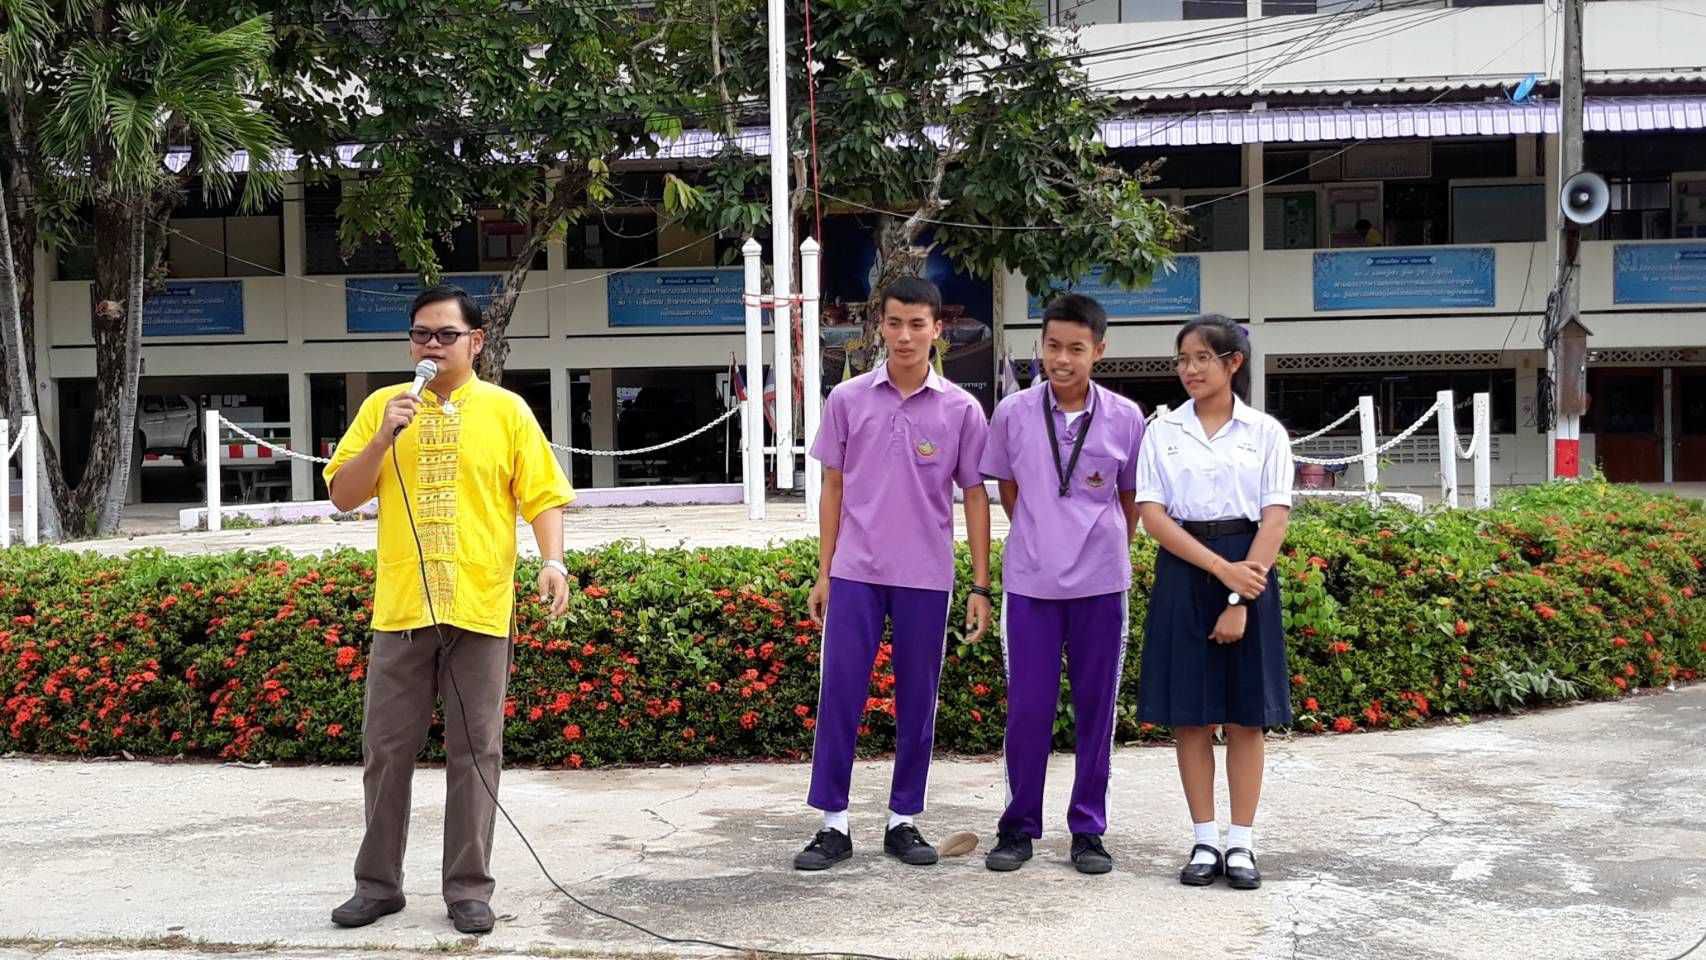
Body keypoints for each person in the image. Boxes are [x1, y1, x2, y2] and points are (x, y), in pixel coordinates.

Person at [323, 286, 575, 934]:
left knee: (476, 752)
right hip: (401, 611)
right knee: (386, 751)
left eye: (445, 335)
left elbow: (542, 495)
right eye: (420, 335)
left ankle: (467, 889)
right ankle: (377, 886)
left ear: (476, 342)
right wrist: (383, 438)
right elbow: (344, 496)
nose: (431, 346)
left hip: (481, 608)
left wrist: (552, 561)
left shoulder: (506, 411)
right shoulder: (383, 407)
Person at [794, 276, 994, 871]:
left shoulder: (961, 409)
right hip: (855, 572)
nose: (905, 336)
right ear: (879, 326)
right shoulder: (847, 399)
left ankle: (903, 820)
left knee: (918, 700)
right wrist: (824, 571)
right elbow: (832, 486)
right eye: (894, 323)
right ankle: (832, 824)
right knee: (839, 694)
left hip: (926, 577)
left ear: (938, 330)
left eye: (917, 324)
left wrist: (980, 584)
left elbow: (975, 495)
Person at [977, 294, 1145, 876]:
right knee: (1028, 709)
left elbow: (1130, 499)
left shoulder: (1126, 417)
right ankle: (1017, 827)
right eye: (1053, 346)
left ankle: (1088, 831)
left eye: (1076, 348)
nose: (1063, 359)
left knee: (1097, 710)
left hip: (1101, 586)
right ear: (1041, 346)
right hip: (1031, 585)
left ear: (1099, 350)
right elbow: (1008, 490)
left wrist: (1099, 546)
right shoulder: (1012, 413)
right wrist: (1043, 535)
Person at [1133, 314, 1293, 891]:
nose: (1190, 369)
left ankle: (1241, 842)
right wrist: (1220, 571)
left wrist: (1239, 594)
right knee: (1191, 715)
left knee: (1247, 717)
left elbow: (1275, 518)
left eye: (1203, 357)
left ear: (1233, 363)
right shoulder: (1162, 431)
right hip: (1185, 568)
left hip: (1250, 568)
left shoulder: (1265, 432)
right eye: (1183, 359)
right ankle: (1204, 838)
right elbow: (1153, 516)